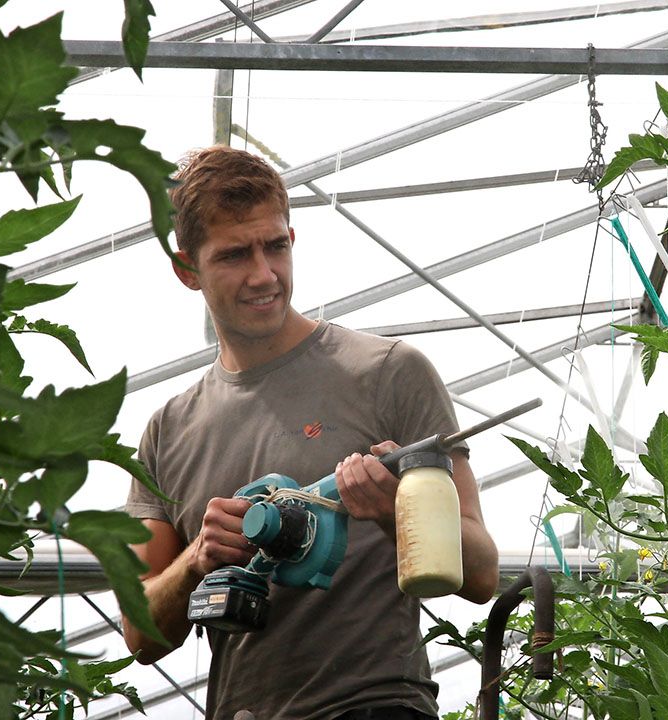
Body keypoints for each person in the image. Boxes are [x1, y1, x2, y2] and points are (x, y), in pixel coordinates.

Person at [122, 145, 499, 720]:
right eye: (233, 255)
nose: (263, 274)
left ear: (292, 240)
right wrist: (198, 557)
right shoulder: (168, 432)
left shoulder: (388, 373)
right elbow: (139, 633)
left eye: (275, 246)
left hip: (375, 706)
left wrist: (397, 511)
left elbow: (481, 573)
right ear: (187, 270)